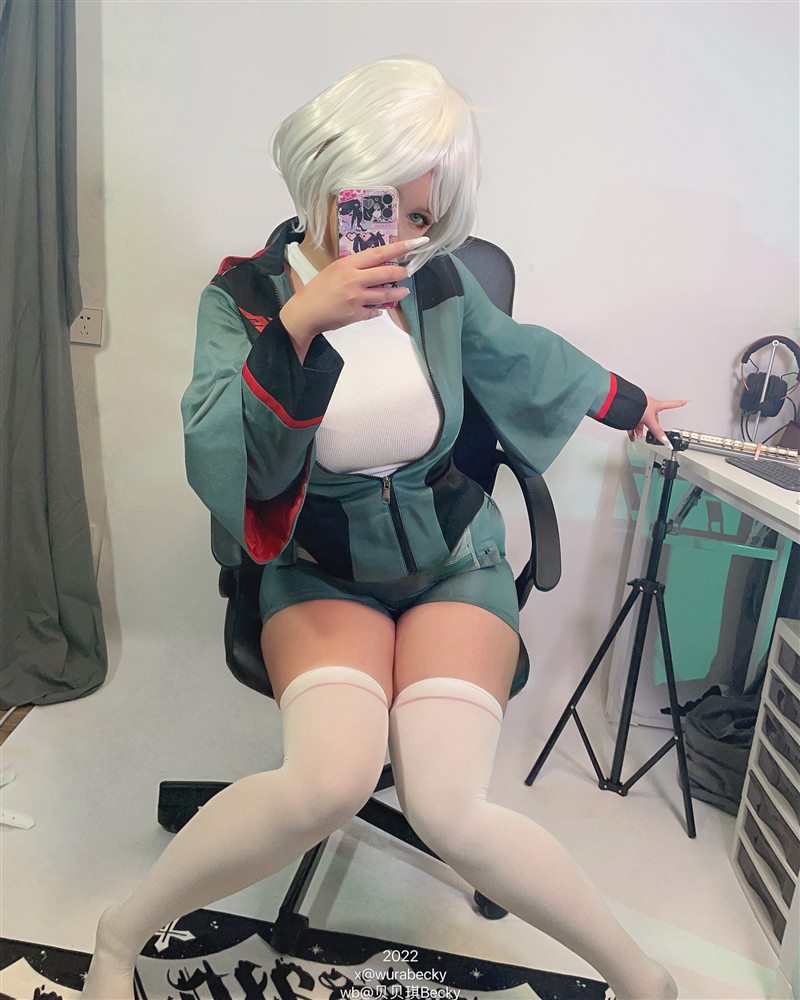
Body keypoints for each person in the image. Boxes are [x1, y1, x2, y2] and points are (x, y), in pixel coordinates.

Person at [83, 56, 685, 1000]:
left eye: (421, 216)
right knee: (326, 784)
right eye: (382, 205)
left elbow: (519, 356)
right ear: (332, 174)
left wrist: (627, 400)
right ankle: (121, 934)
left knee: (450, 809)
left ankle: (644, 980)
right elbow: (223, 455)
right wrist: (297, 329)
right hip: (322, 567)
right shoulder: (243, 300)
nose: (399, 236)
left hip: (453, 559)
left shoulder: (433, 283)